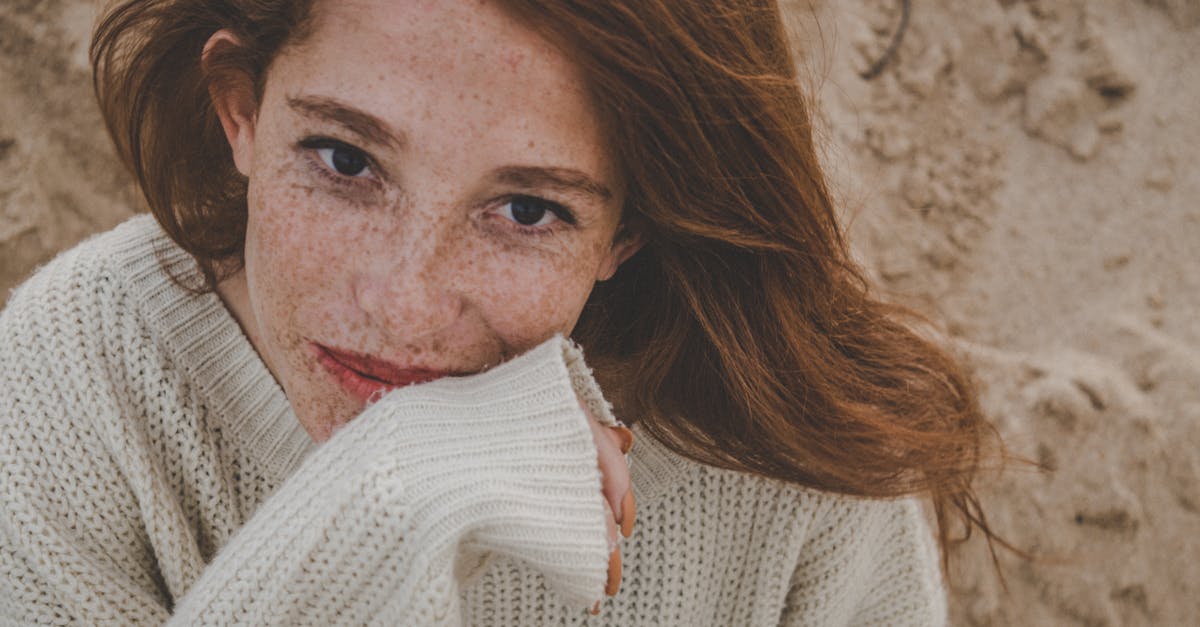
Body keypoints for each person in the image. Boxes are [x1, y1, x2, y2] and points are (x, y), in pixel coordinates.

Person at [0, 0, 1002, 624]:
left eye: (528, 210)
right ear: (242, 112)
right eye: (344, 160)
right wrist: (388, 505)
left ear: (628, 231)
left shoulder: (786, 443)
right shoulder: (77, 381)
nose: (402, 304)